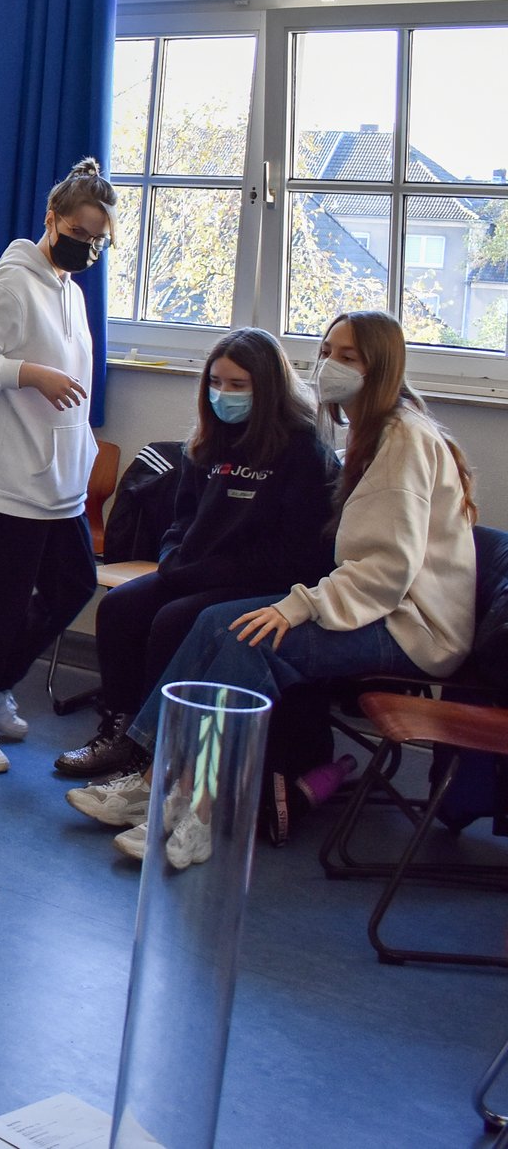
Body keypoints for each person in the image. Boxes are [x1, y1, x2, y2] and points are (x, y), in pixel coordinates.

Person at [69, 310, 478, 863]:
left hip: (413, 626)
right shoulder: (372, 430)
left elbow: (387, 570)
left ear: (380, 367)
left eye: (348, 356)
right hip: (381, 606)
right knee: (217, 623)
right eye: (326, 351)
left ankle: (199, 808)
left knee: (246, 637)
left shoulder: (402, 438)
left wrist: (298, 606)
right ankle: (156, 779)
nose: (329, 365)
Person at [54, 328, 335, 781]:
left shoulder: (302, 450)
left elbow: (298, 552)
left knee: (173, 621)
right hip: (197, 570)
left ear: (268, 386)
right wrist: (172, 558)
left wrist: (202, 570)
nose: (223, 394)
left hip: (260, 582)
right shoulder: (208, 442)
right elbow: (181, 520)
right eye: (216, 383)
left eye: (238, 385)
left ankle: (153, 748)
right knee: (120, 607)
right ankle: (120, 728)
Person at [0, 159, 113, 774]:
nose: (87, 246)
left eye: (98, 239)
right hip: (5, 479)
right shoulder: (12, 282)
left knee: (74, 585)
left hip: (56, 481)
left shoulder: (71, 290)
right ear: (52, 219)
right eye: (80, 232)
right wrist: (27, 374)